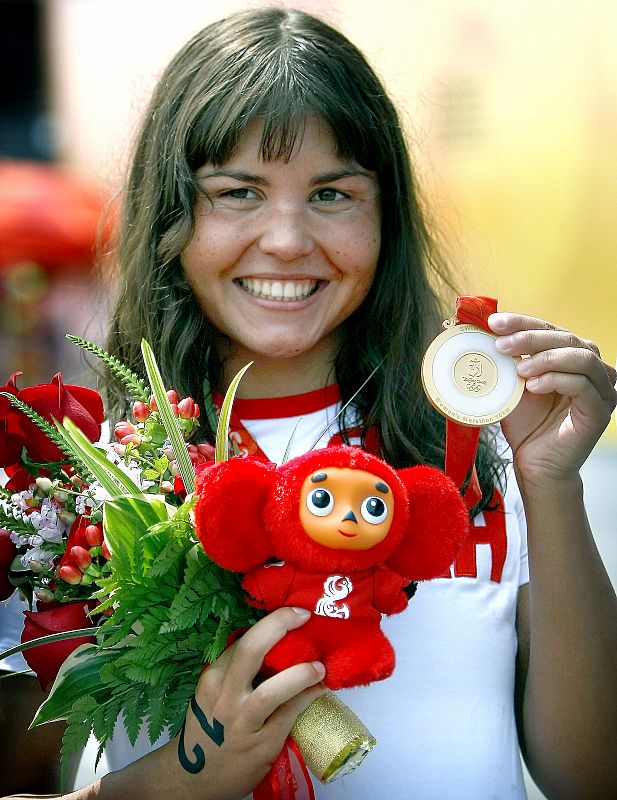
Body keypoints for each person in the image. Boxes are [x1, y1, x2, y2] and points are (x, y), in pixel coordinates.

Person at [3, 6, 617, 800]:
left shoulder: (479, 449)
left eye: (331, 193)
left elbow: (593, 777)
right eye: (237, 193)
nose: (288, 240)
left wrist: (550, 484)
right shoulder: (68, 495)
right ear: (169, 216)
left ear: (387, 215)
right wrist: (182, 781)